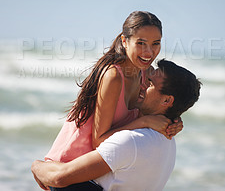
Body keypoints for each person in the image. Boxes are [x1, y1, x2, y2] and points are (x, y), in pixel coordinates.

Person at [32, 59, 202, 191]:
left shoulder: (131, 141)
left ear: (167, 100)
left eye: (150, 83)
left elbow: (59, 178)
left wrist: (36, 166)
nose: (142, 85)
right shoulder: (169, 143)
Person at [44, 12, 183, 170]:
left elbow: (159, 102)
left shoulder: (146, 73)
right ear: (125, 41)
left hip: (93, 168)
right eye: (141, 43)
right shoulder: (113, 77)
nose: (149, 52)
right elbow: (99, 141)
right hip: (68, 165)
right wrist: (144, 122)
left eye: (155, 43)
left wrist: (174, 121)